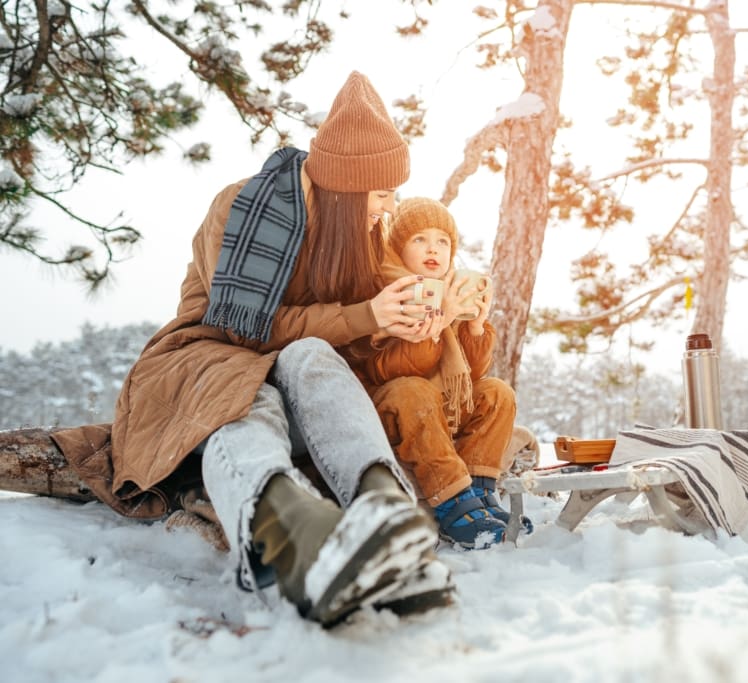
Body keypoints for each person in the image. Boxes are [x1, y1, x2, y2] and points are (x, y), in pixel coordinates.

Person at [53, 72, 457, 628]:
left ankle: (386, 517)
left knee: (312, 357)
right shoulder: (249, 206)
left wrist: (409, 322)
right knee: (247, 395)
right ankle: (293, 538)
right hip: (203, 360)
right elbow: (244, 328)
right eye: (381, 193)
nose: (387, 209)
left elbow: (331, 340)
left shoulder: (360, 238)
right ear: (348, 186)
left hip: (286, 369)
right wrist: (364, 316)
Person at [354, 197, 525, 549]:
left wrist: (475, 326)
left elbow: (473, 375)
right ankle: (452, 502)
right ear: (399, 247)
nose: (433, 249)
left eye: (442, 241)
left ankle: (478, 491)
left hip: (441, 410)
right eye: (419, 239)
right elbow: (394, 369)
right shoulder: (388, 289)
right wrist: (438, 322)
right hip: (394, 409)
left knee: (496, 392)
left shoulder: (452, 291)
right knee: (415, 390)